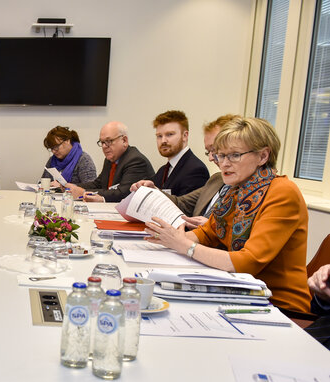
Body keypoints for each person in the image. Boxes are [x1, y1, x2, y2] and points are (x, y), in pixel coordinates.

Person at [144, 117, 312, 314]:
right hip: (241, 293)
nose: (224, 164)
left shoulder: (283, 192)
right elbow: (207, 234)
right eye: (220, 156)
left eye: (234, 155)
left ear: (263, 156)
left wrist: (184, 246)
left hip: (279, 305)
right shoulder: (234, 190)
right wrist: (167, 237)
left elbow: (247, 262)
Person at [131, 114, 240, 228]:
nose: (211, 158)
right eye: (209, 152)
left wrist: (210, 227)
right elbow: (181, 203)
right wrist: (153, 191)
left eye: (215, 150)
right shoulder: (217, 179)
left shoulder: (252, 191)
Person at [64, 121, 154, 202]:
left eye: (109, 141)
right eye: (102, 142)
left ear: (124, 140)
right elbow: (98, 184)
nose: (104, 146)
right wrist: (74, 187)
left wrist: (83, 192)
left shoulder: (135, 160)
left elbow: (123, 193)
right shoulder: (110, 159)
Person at [150, 110, 209, 196]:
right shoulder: (162, 171)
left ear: (185, 136)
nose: (163, 141)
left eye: (169, 134)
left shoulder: (196, 170)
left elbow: (187, 208)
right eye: (159, 136)